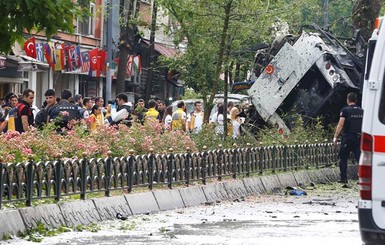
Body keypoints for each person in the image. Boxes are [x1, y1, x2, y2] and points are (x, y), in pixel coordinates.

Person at [333, 92, 363, 184]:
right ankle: (362, 178)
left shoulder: (345, 110)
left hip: (348, 137)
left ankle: (344, 178)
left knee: (343, 157)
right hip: (359, 137)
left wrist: (335, 137)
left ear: (347, 100)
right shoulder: (362, 111)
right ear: (356, 100)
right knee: (360, 158)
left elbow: (341, 124)